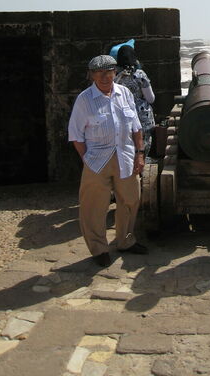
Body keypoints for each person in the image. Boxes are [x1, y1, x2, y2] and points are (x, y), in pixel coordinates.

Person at [68, 55, 148, 268]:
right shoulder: (84, 100)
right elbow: (75, 135)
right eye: (99, 73)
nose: (104, 77)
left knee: (130, 200)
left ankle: (126, 241)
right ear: (92, 75)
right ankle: (99, 249)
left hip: (125, 156)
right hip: (97, 161)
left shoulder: (125, 93)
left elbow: (136, 126)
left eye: (109, 72)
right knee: (94, 207)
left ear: (115, 72)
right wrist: (87, 159)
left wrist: (140, 153)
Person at [111, 42, 156, 160]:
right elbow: (151, 98)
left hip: (122, 117)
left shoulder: (114, 75)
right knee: (142, 147)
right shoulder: (139, 75)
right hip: (142, 118)